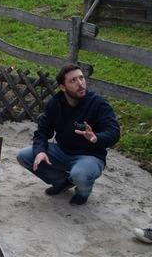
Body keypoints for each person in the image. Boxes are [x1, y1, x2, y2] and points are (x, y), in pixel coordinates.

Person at [16, 63, 120, 205]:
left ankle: (83, 192)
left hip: (90, 156)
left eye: (81, 78)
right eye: (73, 80)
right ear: (62, 87)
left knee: (80, 175)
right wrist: (40, 151)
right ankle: (62, 182)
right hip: (62, 151)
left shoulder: (98, 104)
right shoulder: (55, 103)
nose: (80, 83)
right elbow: (42, 131)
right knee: (25, 156)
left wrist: (96, 138)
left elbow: (114, 132)